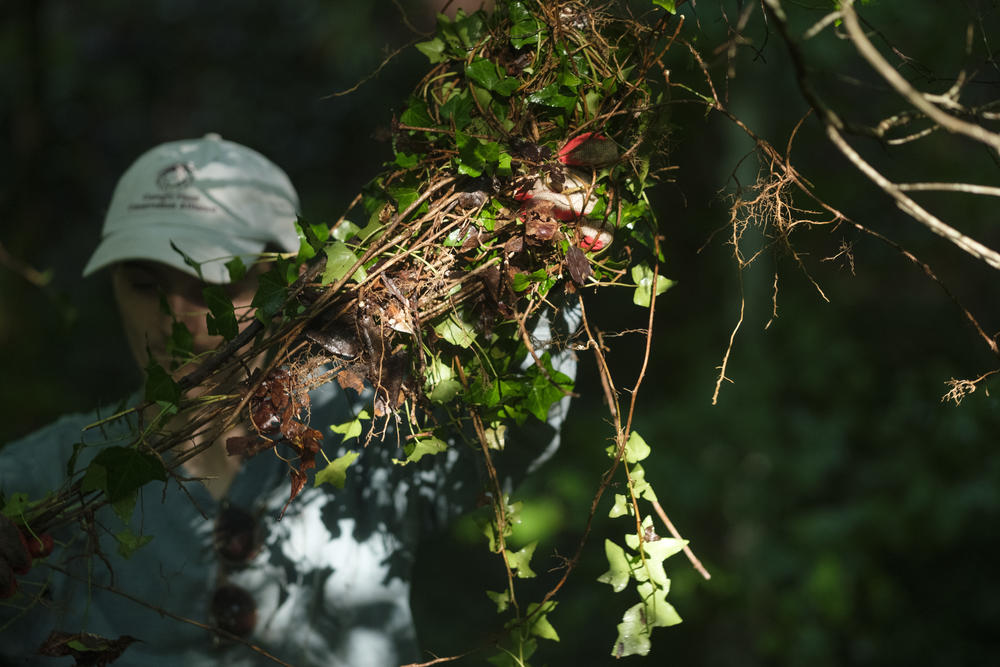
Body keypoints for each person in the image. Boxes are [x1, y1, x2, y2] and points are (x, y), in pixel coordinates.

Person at [0, 134, 575, 665]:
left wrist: (547, 257)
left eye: (217, 282)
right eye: (145, 284)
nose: (174, 319)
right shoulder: (39, 485)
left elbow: (513, 429)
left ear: (296, 280)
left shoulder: (365, 435)